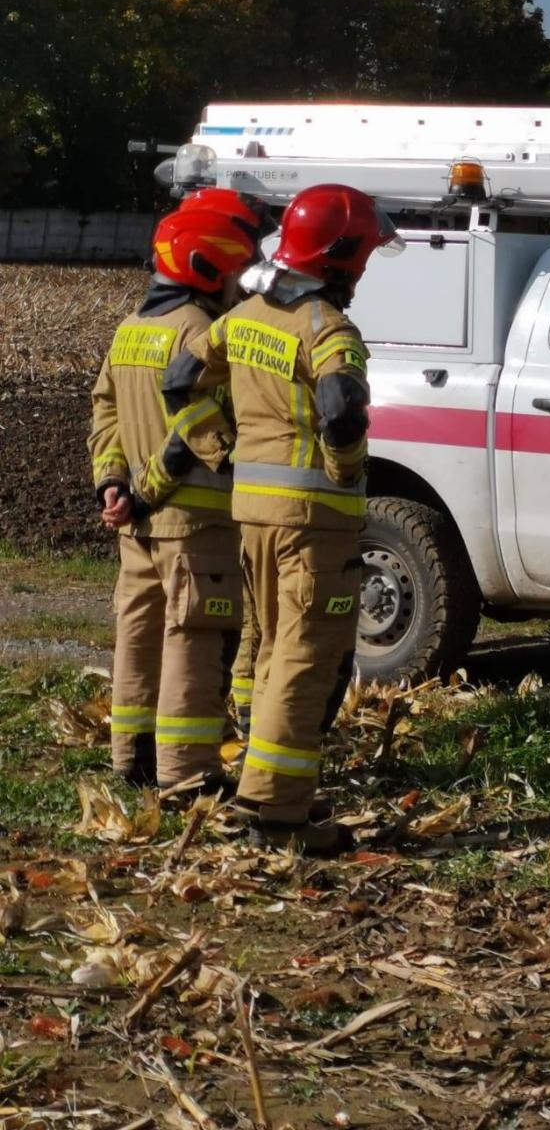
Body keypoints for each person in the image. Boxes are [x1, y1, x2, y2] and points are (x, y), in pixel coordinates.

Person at [163, 183, 402, 853]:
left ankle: (258, 789)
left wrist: (215, 447)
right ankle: (277, 814)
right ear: (341, 256)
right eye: (363, 258)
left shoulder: (242, 318)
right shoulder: (326, 327)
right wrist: (346, 469)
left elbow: (179, 382)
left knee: (267, 650)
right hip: (314, 526)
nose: (362, 272)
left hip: (253, 517)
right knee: (306, 658)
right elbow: (342, 408)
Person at [87, 191, 268, 792]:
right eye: (237, 268)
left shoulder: (132, 328)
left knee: (138, 639)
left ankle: (131, 758)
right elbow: (192, 432)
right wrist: (142, 490)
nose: (242, 282)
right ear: (210, 266)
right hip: (193, 524)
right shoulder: (200, 332)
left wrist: (111, 484)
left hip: (138, 529)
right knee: (196, 641)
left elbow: (105, 415)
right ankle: (188, 774)